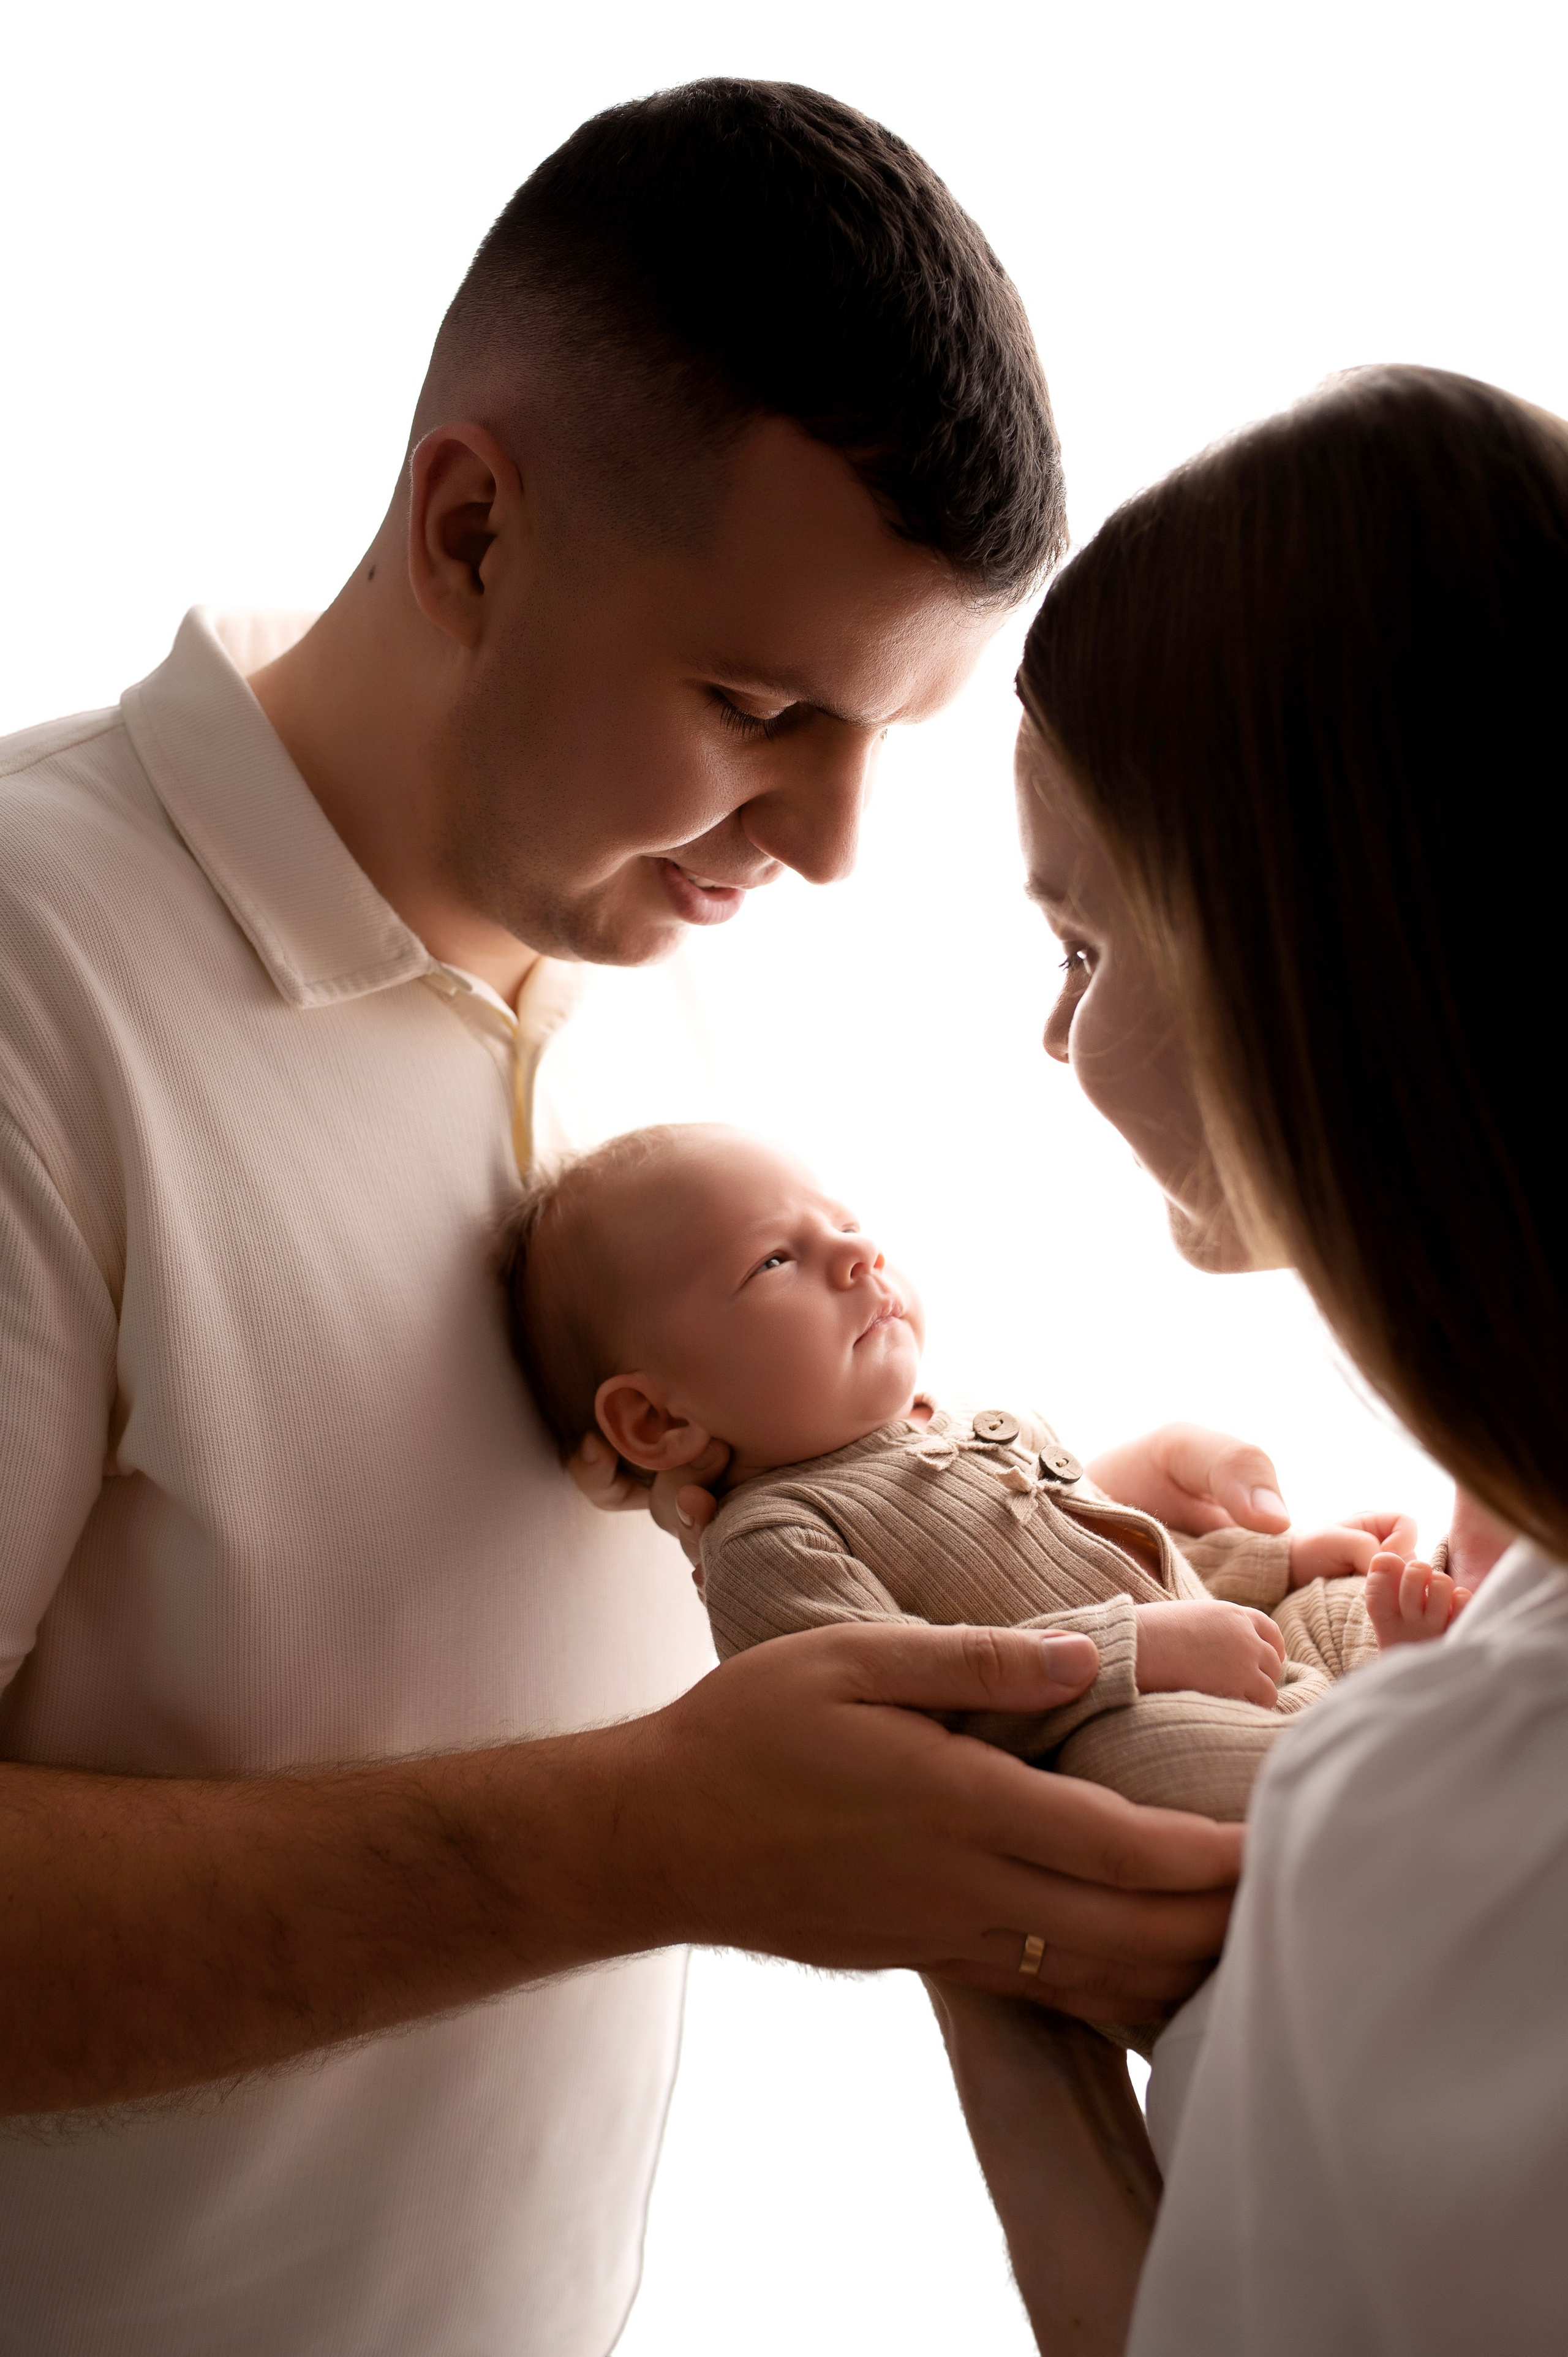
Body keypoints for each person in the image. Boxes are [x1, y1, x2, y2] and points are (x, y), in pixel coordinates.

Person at [0, 78, 1256, 2357]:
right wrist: (633, 1843)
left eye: (893, 729)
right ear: (472, 529)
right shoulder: (29, 975)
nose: (841, 843)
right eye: (763, 705)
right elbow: (636, 1806)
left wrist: (1050, 1536)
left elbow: (723, 1546)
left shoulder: (631, 985)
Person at [1012, 362, 1568, 2351]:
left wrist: (965, 1938)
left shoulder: (1440, 1817)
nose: (1053, 1041)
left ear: (1290, 947)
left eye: (1078, 943)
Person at [504, 1119, 1452, 1823]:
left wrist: (1277, 1565)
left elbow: (1134, 1550)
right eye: (776, 1260)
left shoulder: (967, 1426)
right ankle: (1400, 1756)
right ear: (655, 1417)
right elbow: (891, 1732)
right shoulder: (773, 1539)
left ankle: (1406, 1709)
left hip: (1252, 1661)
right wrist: (1141, 1654)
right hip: (1137, 1720)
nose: (858, 1254)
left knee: (1347, 1598)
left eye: (845, 1224)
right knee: (1138, 1765)